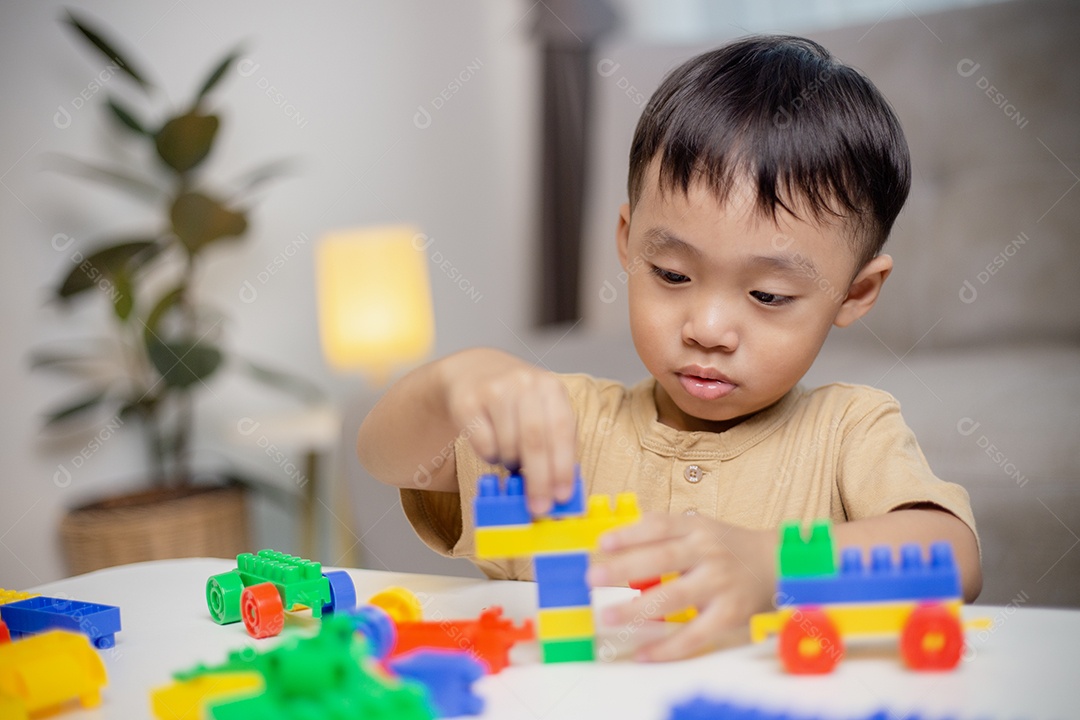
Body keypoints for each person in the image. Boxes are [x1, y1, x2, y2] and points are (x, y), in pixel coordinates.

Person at [357, 35, 981, 662]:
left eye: (766, 295)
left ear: (856, 291)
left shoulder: (848, 429)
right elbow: (385, 456)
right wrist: (454, 384)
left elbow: (955, 558)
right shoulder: (559, 425)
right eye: (674, 276)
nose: (707, 327)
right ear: (628, 243)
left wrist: (774, 565)